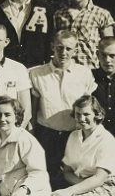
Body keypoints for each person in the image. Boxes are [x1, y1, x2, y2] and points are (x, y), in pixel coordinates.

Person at [0, 95, 98, 196]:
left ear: (16, 117)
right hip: (5, 195)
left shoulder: (25, 139)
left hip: (31, 192)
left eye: (7, 115)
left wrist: (23, 189)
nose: (2, 119)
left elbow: (39, 173)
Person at [48, 95, 115, 196]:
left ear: (97, 115)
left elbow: (99, 179)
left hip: (105, 188)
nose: (81, 119)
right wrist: (77, 188)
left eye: (86, 114)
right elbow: (67, 172)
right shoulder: (73, 136)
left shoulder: (107, 140)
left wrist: (69, 191)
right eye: (78, 114)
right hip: (80, 183)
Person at [28, 30, 97, 179]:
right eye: (59, 47)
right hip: (46, 135)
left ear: (75, 50)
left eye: (68, 48)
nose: (63, 52)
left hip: (74, 135)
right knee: (46, 176)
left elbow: (88, 107)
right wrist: (32, 135)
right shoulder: (36, 73)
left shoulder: (84, 73)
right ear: (53, 46)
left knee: (72, 176)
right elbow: (32, 110)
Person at [53, 0, 115, 68]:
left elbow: (109, 47)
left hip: (91, 70)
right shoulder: (59, 14)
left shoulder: (101, 14)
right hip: (65, 70)